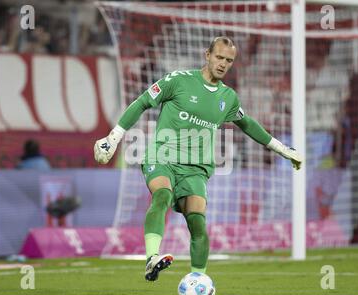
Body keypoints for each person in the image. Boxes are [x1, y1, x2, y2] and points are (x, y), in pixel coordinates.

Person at [93, 36, 302, 281]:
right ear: (207, 55)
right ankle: (151, 258)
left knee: (197, 223)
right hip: (163, 155)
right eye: (219, 57)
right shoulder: (178, 80)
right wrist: (115, 136)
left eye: (229, 60)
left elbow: (248, 124)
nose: (223, 64)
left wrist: (281, 148)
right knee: (162, 194)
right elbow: (142, 102)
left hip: (196, 169)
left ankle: (198, 282)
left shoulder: (228, 98)